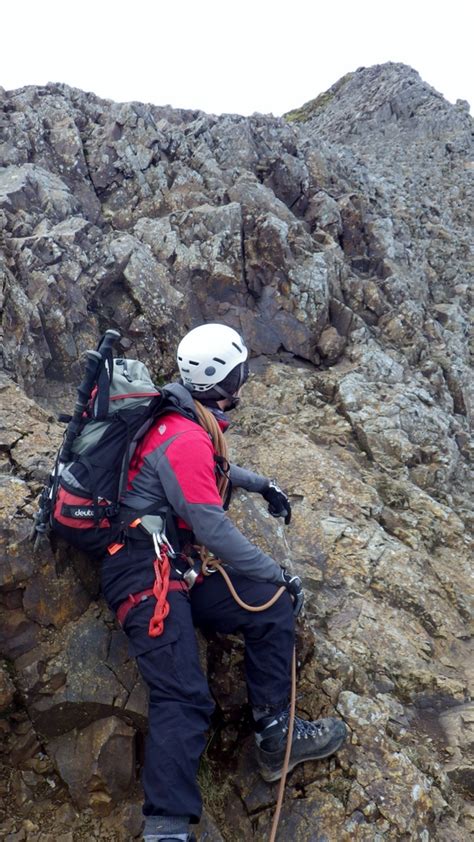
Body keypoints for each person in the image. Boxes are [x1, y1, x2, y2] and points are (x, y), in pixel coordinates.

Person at [101, 323, 347, 842]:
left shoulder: (183, 418)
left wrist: (263, 485)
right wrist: (277, 570)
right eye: (239, 373)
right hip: (143, 569)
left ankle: (275, 736)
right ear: (219, 378)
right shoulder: (184, 433)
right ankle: (166, 828)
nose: (244, 380)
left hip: (171, 562)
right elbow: (210, 522)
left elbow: (210, 468)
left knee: (271, 605)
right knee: (184, 695)